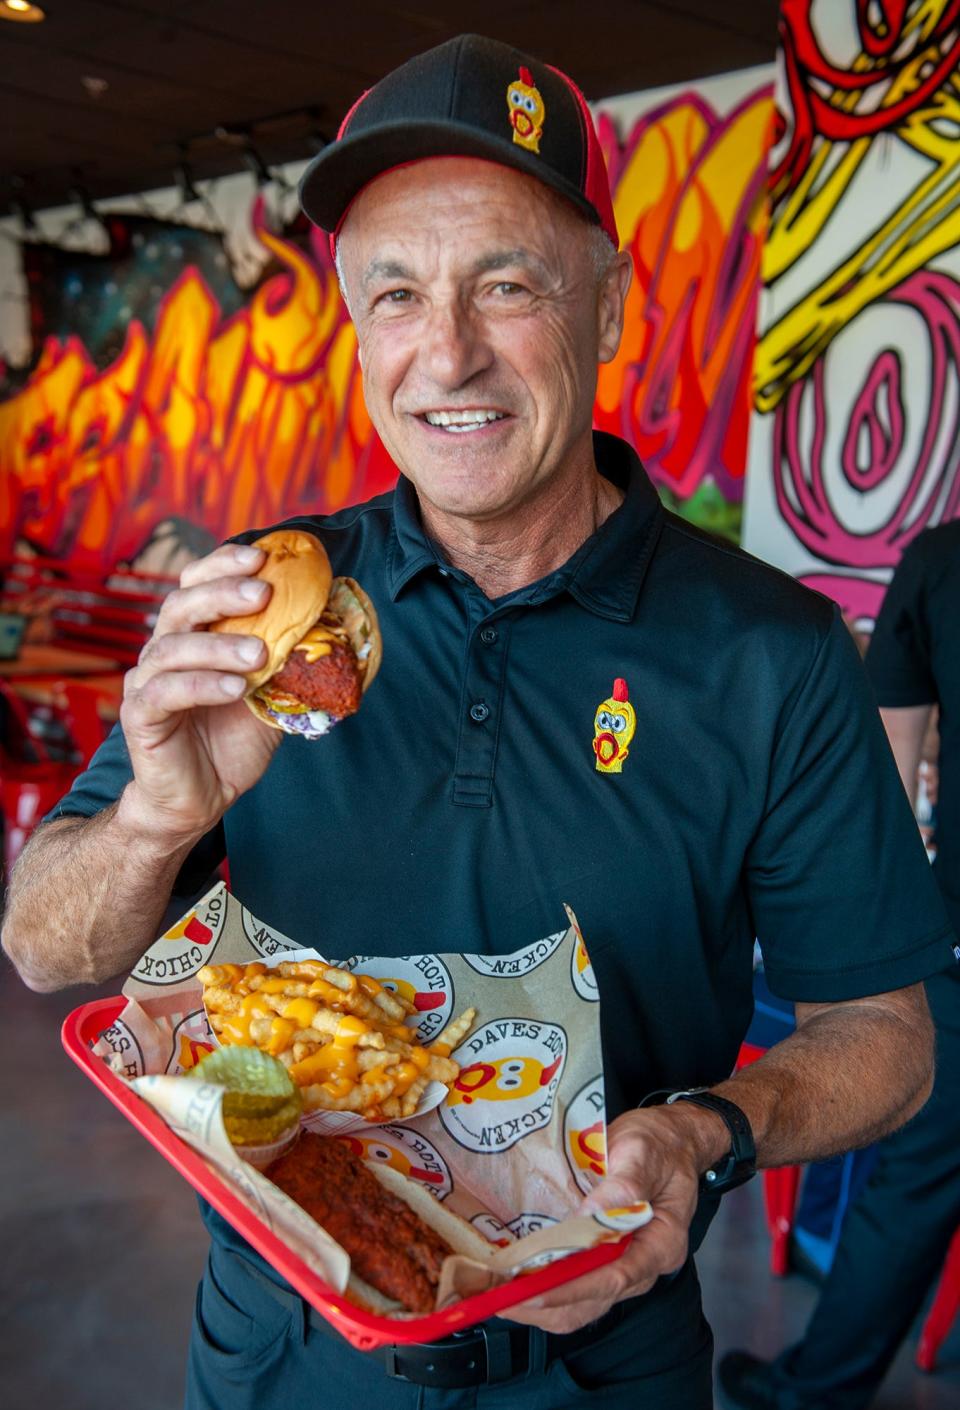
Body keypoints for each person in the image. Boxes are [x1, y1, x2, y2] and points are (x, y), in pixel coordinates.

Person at [2, 33, 954, 1410]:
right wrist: (159, 814)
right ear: (356, 323)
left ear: (610, 306)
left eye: (505, 284)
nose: (446, 352)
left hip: (600, 1360)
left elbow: (885, 1029)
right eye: (396, 293)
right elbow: (41, 946)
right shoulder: (265, 600)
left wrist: (706, 1132)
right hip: (280, 1350)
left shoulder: (770, 652)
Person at [718, 522, 960, 1410]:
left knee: (912, 1190)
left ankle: (815, 1390)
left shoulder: (940, 562)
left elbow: (892, 773)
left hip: (956, 935)